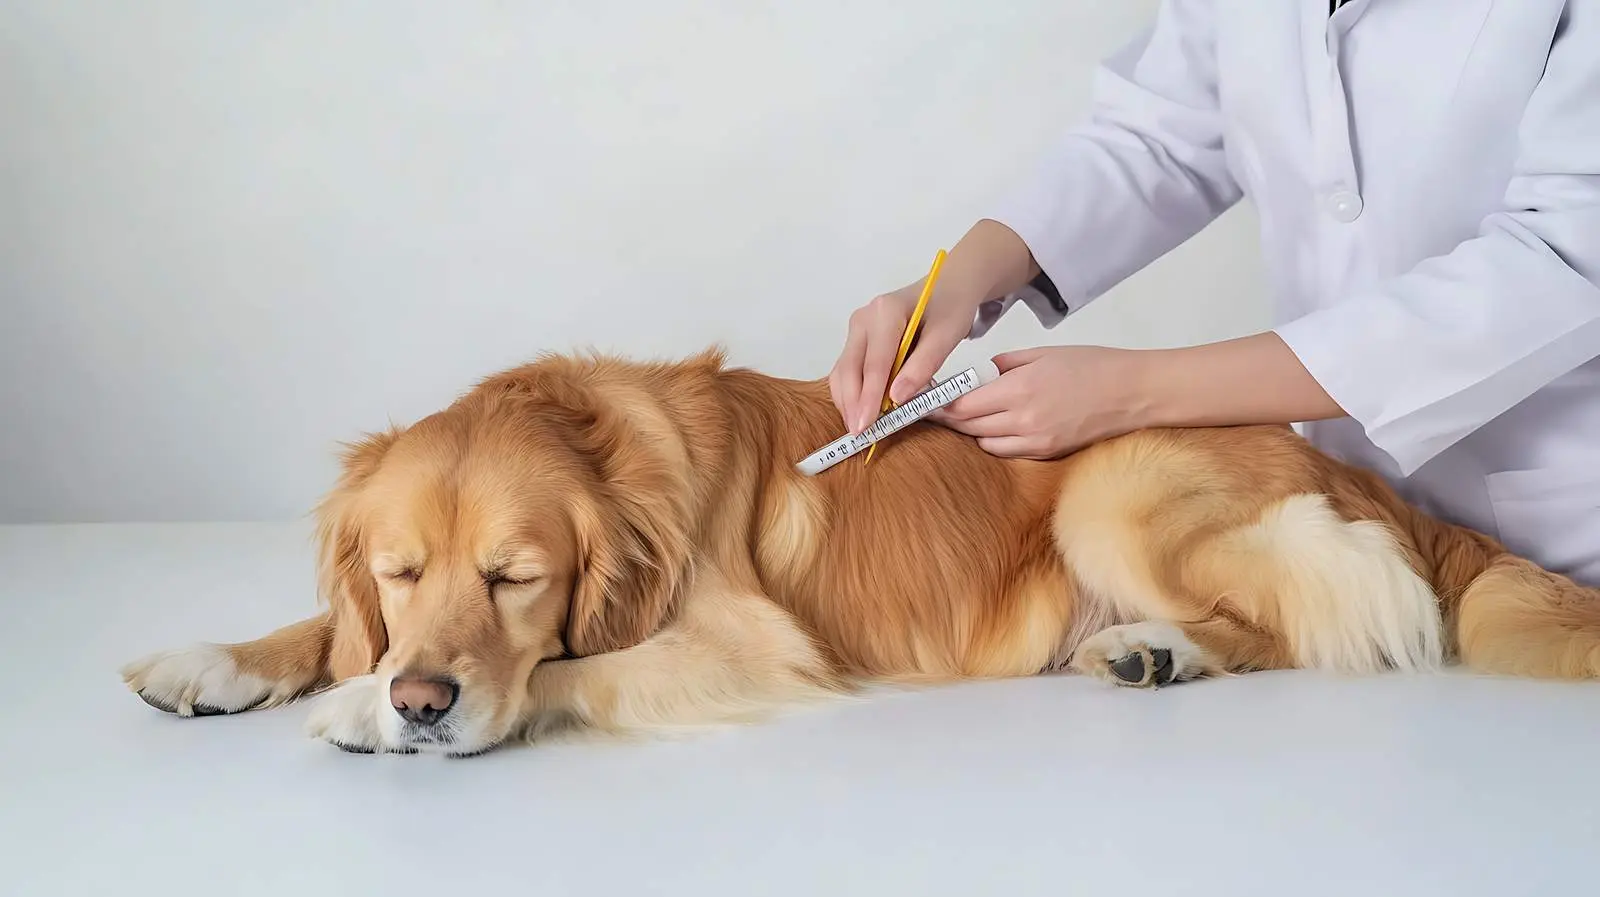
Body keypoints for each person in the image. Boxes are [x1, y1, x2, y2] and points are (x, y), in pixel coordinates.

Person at [828, 0, 1600, 585]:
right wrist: (970, 269)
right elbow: (1163, 132)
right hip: (1366, 527)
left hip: (1569, 523)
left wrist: (1137, 391)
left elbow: (1561, 258)